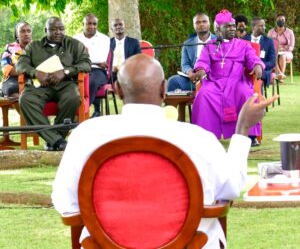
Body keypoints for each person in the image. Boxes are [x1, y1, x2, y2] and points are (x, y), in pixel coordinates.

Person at [51, 54, 277, 247]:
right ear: (164, 89)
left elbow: (64, 202)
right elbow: (232, 187)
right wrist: (242, 129)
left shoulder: (86, 135)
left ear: (118, 90)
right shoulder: (197, 139)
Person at [17, 17, 92, 151]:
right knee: (25, 99)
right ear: (46, 30)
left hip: (66, 84)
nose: (58, 32)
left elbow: (86, 64)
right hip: (40, 86)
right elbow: (20, 64)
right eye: (53, 29)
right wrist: (36, 73)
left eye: (61, 29)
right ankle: (57, 140)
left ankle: (53, 140)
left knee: (73, 97)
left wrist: (66, 71)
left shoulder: (75, 45)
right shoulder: (33, 46)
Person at [192, 10, 265, 146]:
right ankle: (205, 135)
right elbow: (203, 63)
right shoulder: (210, 46)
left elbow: (253, 58)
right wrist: (200, 71)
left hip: (237, 80)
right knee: (204, 95)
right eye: (228, 26)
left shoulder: (243, 45)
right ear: (219, 29)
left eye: (233, 26)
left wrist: (257, 66)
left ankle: (250, 135)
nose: (232, 28)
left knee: (245, 93)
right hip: (215, 81)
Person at [167, 12, 216, 92]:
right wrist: (190, 73)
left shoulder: (218, 41)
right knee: (173, 81)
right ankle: (171, 105)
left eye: (204, 21)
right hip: (193, 80)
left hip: (212, 78)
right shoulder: (188, 44)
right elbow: (185, 64)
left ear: (209, 23)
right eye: (198, 22)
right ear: (194, 25)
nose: (201, 24)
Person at [74, 14, 110, 117]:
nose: (92, 26)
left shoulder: (104, 39)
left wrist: (85, 60)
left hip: (98, 71)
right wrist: (94, 61)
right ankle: (74, 113)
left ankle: (79, 114)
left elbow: (101, 59)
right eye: (89, 23)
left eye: (94, 24)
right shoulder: (75, 39)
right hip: (79, 70)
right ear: (83, 24)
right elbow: (72, 58)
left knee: (91, 81)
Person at [1, 22, 33, 98]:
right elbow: (7, 69)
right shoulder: (9, 49)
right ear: (17, 35)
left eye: (29, 31)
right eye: (22, 31)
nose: (26, 34)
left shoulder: (38, 48)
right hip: (13, 80)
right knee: (11, 89)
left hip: (34, 78)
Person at [108, 18, 141, 83]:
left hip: (128, 73)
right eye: (115, 25)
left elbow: (138, 59)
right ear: (112, 29)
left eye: (120, 24)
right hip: (112, 74)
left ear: (124, 26)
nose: (118, 27)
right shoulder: (108, 43)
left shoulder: (134, 42)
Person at [247, 17, 276, 88]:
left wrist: (260, 66)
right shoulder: (244, 40)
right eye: (261, 26)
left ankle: (258, 97)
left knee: (258, 74)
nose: (264, 27)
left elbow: (272, 62)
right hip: (247, 69)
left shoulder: (269, 41)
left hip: (263, 70)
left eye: (264, 25)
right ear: (253, 27)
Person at [268, 13, 295, 82]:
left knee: (282, 56)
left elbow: (291, 46)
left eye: (282, 19)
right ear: (276, 21)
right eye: (279, 19)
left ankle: (280, 76)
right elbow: (267, 44)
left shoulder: (290, 32)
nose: (281, 21)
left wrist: (285, 48)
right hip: (274, 52)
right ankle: (280, 75)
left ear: (285, 21)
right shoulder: (271, 32)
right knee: (272, 56)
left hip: (287, 53)